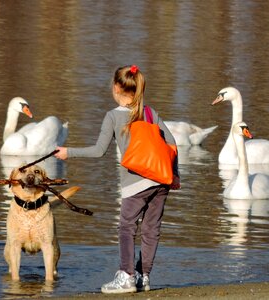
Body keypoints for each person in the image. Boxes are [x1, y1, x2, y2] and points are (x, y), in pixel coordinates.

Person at [55, 65, 180, 294]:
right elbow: (172, 145)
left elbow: (99, 150)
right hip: (162, 180)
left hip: (136, 182)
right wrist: (175, 176)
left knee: (126, 227)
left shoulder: (113, 116)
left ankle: (126, 276)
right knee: (151, 229)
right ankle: (143, 277)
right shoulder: (151, 113)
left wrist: (67, 152)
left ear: (115, 88)